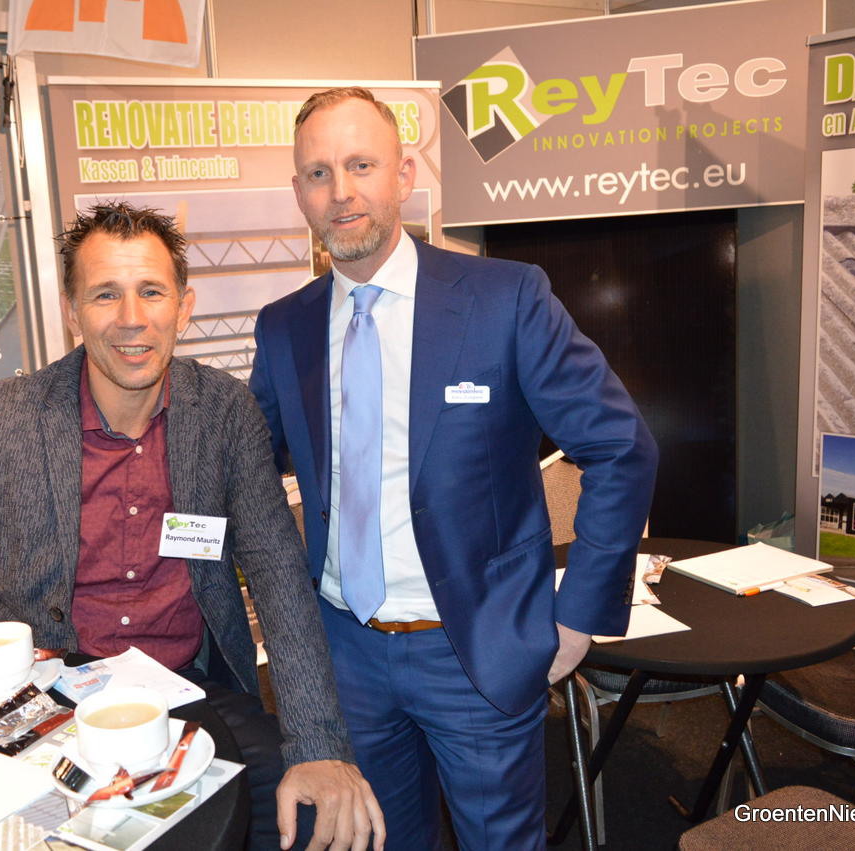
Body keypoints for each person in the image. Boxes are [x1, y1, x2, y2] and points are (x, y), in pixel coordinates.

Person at [0, 202, 384, 851]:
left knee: (308, 818)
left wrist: (317, 746)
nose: (132, 318)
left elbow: (281, 580)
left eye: (151, 291)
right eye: (105, 294)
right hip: (39, 711)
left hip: (190, 700)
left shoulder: (224, 414)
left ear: (184, 306)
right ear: (72, 311)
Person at [248, 87, 659, 849]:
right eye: (318, 173)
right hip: (346, 652)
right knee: (377, 839)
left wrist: (578, 614)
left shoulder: (505, 297)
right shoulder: (284, 327)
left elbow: (620, 446)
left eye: (362, 165)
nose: (341, 192)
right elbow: (246, 466)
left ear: (404, 173)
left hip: (475, 647)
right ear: (298, 192)